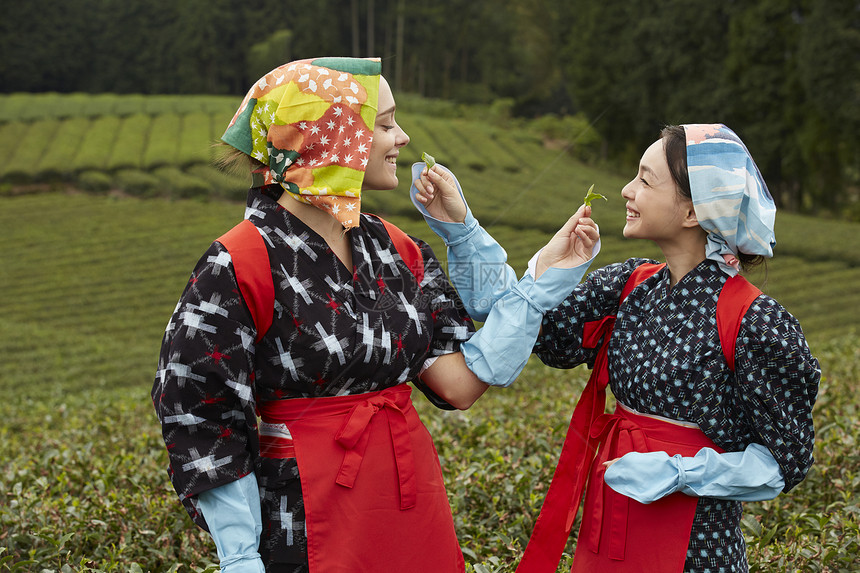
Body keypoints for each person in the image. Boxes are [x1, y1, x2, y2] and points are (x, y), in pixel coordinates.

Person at [151, 57, 600, 573]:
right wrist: (239, 556)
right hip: (305, 510)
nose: (402, 137)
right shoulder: (239, 261)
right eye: (384, 124)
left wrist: (537, 279)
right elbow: (201, 416)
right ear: (330, 138)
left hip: (409, 496)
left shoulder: (397, 249)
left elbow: (459, 383)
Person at [411, 123, 820, 572]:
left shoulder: (756, 322)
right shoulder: (629, 285)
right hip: (612, 517)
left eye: (645, 179)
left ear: (691, 211)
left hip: (697, 547)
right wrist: (463, 230)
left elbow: (784, 461)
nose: (627, 189)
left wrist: (683, 473)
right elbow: (527, 320)